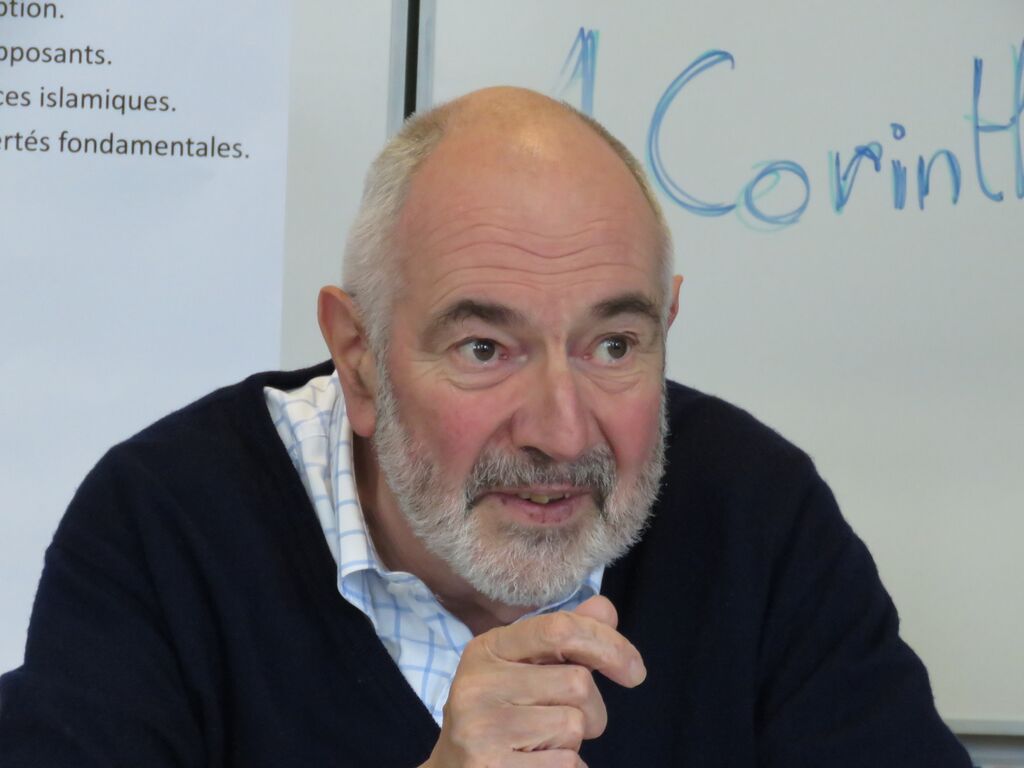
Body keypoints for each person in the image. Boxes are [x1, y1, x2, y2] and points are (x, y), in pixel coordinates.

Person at [0, 87, 971, 767]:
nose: (561, 433)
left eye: (614, 345)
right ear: (359, 356)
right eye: (483, 349)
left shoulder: (754, 511)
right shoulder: (167, 522)